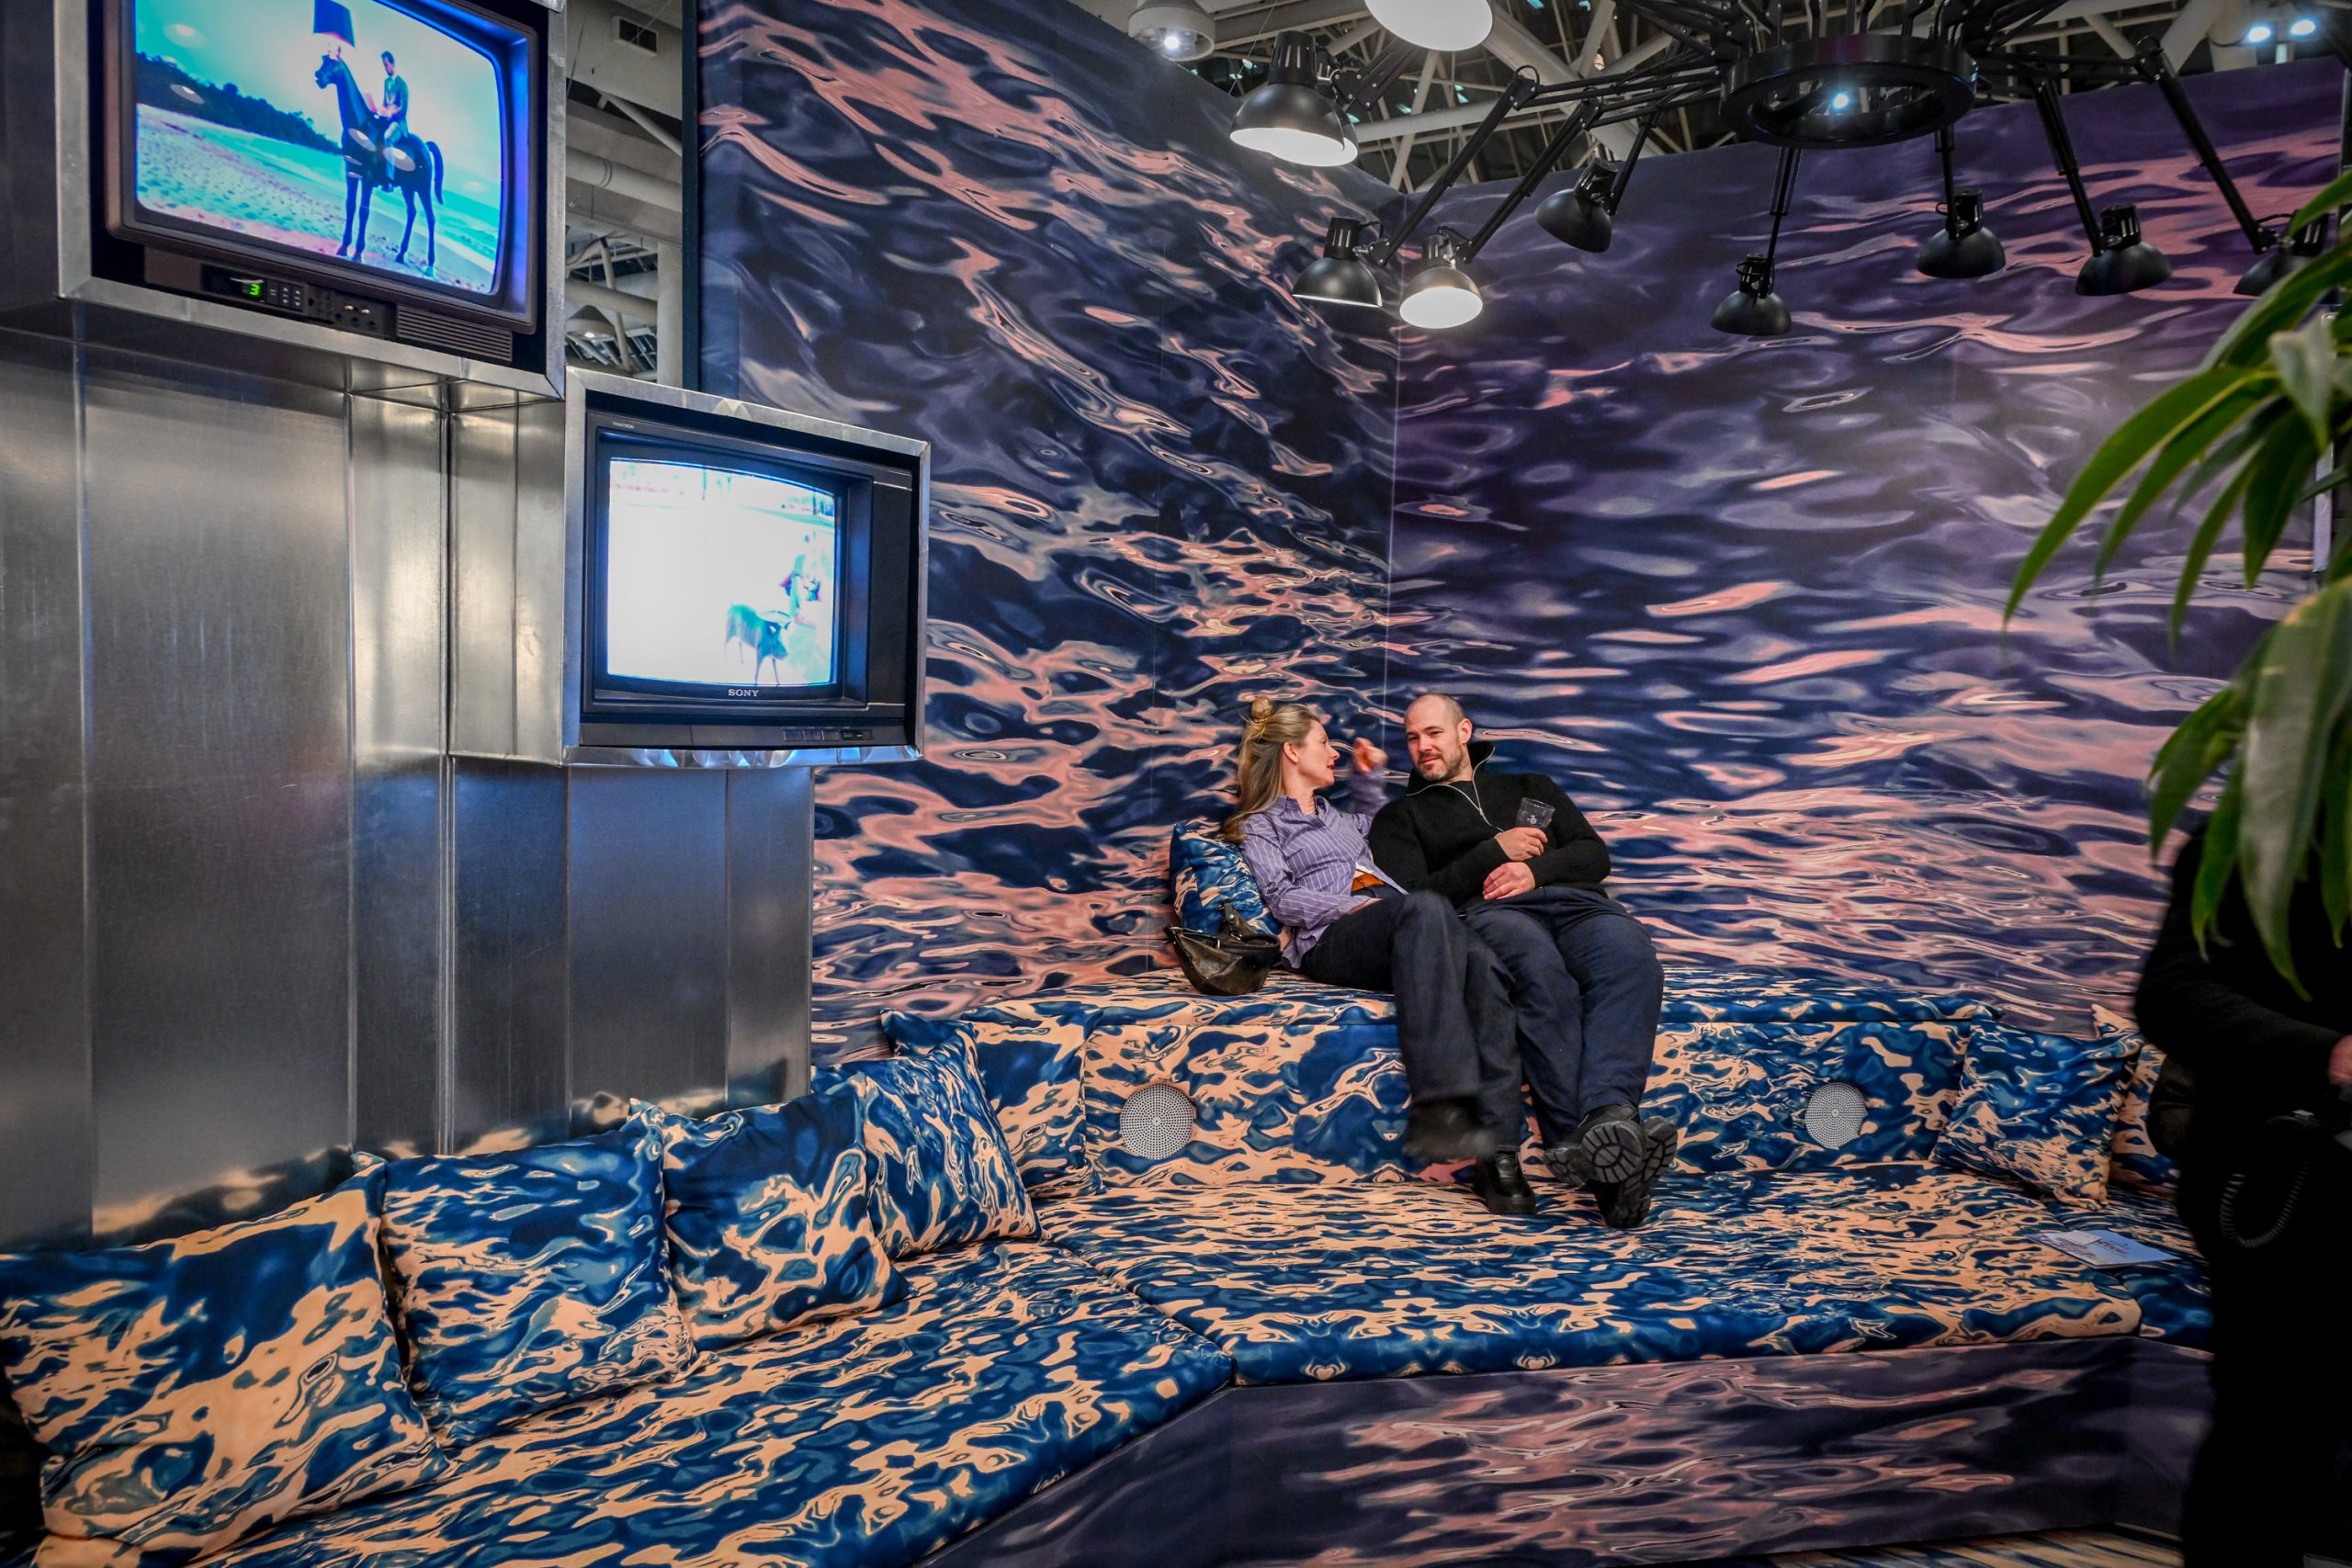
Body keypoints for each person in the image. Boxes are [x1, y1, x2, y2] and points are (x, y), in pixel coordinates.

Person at [1369, 693, 1676, 1228]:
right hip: (1491, 913)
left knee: (1633, 959)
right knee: (1539, 971)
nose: (1423, 747)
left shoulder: (1531, 786)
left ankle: (1610, 1115)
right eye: (1413, 738)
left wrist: (1536, 871)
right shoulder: (1401, 817)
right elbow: (1419, 901)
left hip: (1575, 905)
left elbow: (1594, 855)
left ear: (1464, 731)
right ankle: (1596, 1158)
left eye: (1434, 733)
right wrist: (1495, 852)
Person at [1227, 698, 1537, 1213]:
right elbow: (1281, 898)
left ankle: (1499, 1155)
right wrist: (1355, 907)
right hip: (1333, 938)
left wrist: (1368, 781)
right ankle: (1441, 1103)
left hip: (1403, 927)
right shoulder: (1264, 824)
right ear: (1292, 752)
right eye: (1324, 743)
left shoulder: (1340, 819)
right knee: (1425, 907)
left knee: (1483, 967)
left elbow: (1383, 832)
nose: (1335, 753)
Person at [2137, 825, 2351, 1567]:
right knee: (2270, 1443)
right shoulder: (2254, 836)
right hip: (2283, 1195)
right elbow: (2171, 993)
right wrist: (2327, 1054)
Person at [370, 51, 410, 187]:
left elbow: (403, 110)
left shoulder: (402, 84)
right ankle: (375, 172)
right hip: (387, 119)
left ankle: (389, 179)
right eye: (384, 65)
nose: (385, 68)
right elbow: (385, 103)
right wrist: (379, 110)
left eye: (386, 65)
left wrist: (391, 112)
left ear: (392, 64)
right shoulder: (386, 82)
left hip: (398, 123)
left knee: (387, 137)